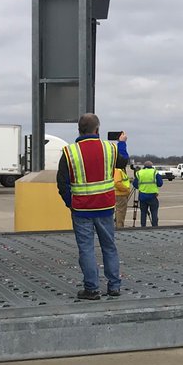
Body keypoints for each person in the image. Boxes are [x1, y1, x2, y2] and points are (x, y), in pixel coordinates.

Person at [57, 113, 121, 300]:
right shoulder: (110, 149)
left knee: (86, 249)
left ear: (79, 129)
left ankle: (92, 289)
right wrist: (122, 142)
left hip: (81, 210)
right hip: (105, 207)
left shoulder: (70, 152)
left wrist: (71, 203)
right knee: (109, 246)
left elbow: (62, 183)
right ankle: (114, 286)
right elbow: (124, 161)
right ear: (97, 129)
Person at [113, 155, 132, 228]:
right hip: (120, 194)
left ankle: (119, 225)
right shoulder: (117, 171)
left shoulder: (119, 171)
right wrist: (126, 189)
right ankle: (119, 226)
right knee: (120, 212)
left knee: (120, 212)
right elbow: (117, 182)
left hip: (119, 194)